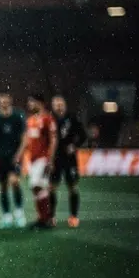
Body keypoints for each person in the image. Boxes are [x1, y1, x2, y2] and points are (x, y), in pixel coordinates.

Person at [0, 92, 27, 229]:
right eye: (1, 100)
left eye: (6, 100)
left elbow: (24, 138)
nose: (4, 102)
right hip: (0, 157)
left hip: (14, 156)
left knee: (15, 182)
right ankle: (7, 215)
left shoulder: (18, 116)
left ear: (10, 100)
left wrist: (19, 154)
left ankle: (19, 213)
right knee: (2, 186)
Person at [49, 95, 87, 227]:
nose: (59, 107)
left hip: (69, 159)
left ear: (65, 105)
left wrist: (74, 146)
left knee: (72, 187)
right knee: (51, 187)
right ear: (53, 106)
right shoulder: (50, 119)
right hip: (55, 158)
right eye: (56, 104)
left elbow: (83, 135)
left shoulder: (72, 118)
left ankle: (74, 217)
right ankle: (51, 217)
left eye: (61, 104)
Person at [24, 93, 58, 229]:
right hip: (33, 160)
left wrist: (50, 159)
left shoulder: (47, 118)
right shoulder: (31, 120)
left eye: (32, 102)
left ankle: (45, 219)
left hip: (43, 159)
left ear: (40, 103)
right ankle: (43, 218)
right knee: (36, 188)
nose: (29, 105)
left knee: (38, 186)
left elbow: (53, 140)